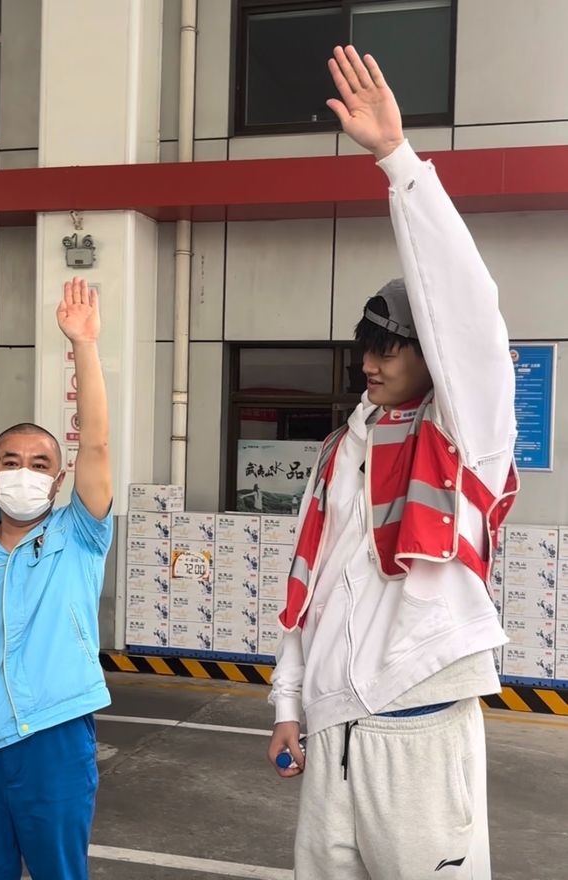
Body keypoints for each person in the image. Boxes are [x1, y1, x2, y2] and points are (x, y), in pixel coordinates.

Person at [267, 46, 518, 880]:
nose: (372, 364)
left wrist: (398, 162)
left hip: (421, 720)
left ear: (429, 356)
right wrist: (289, 704)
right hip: (331, 729)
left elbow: (470, 316)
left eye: (394, 348)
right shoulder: (343, 449)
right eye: (367, 348)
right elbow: (312, 586)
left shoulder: (464, 437)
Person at [0, 277, 113, 880]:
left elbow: (97, 445)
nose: (24, 473)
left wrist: (83, 344)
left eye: (40, 464)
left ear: (58, 481)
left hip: (55, 740)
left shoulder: (78, 536)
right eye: (11, 462)